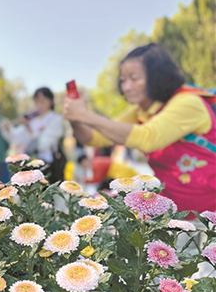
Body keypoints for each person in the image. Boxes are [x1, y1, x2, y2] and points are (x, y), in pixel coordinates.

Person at [63, 43, 216, 213]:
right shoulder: (141, 111)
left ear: (157, 77)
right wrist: (75, 118)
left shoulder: (188, 102)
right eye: (123, 80)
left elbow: (148, 138)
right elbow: (94, 138)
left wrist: (86, 115)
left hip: (208, 215)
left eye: (134, 78)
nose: (126, 86)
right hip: (174, 211)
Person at [0, 87, 65, 183]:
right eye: (37, 101)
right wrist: (8, 129)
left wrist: (29, 128)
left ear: (51, 101)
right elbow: (16, 138)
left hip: (48, 165)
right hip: (29, 165)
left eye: (43, 101)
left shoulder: (55, 119)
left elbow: (44, 145)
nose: (39, 105)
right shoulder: (33, 120)